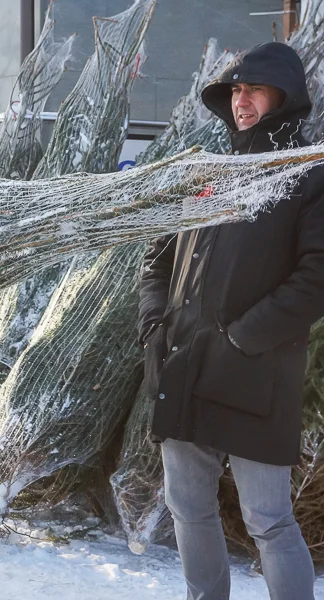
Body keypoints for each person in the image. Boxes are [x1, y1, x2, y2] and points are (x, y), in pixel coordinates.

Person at [138, 41, 324, 600]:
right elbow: (157, 255)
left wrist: (243, 338)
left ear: (284, 97)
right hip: (185, 364)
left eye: (254, 89)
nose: (241, 100)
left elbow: (317, 278)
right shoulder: (206, 170)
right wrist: (153, 324)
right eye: (235, 90)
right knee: (187, 508)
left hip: (256, 372)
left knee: (268, 519)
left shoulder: (307, 175)